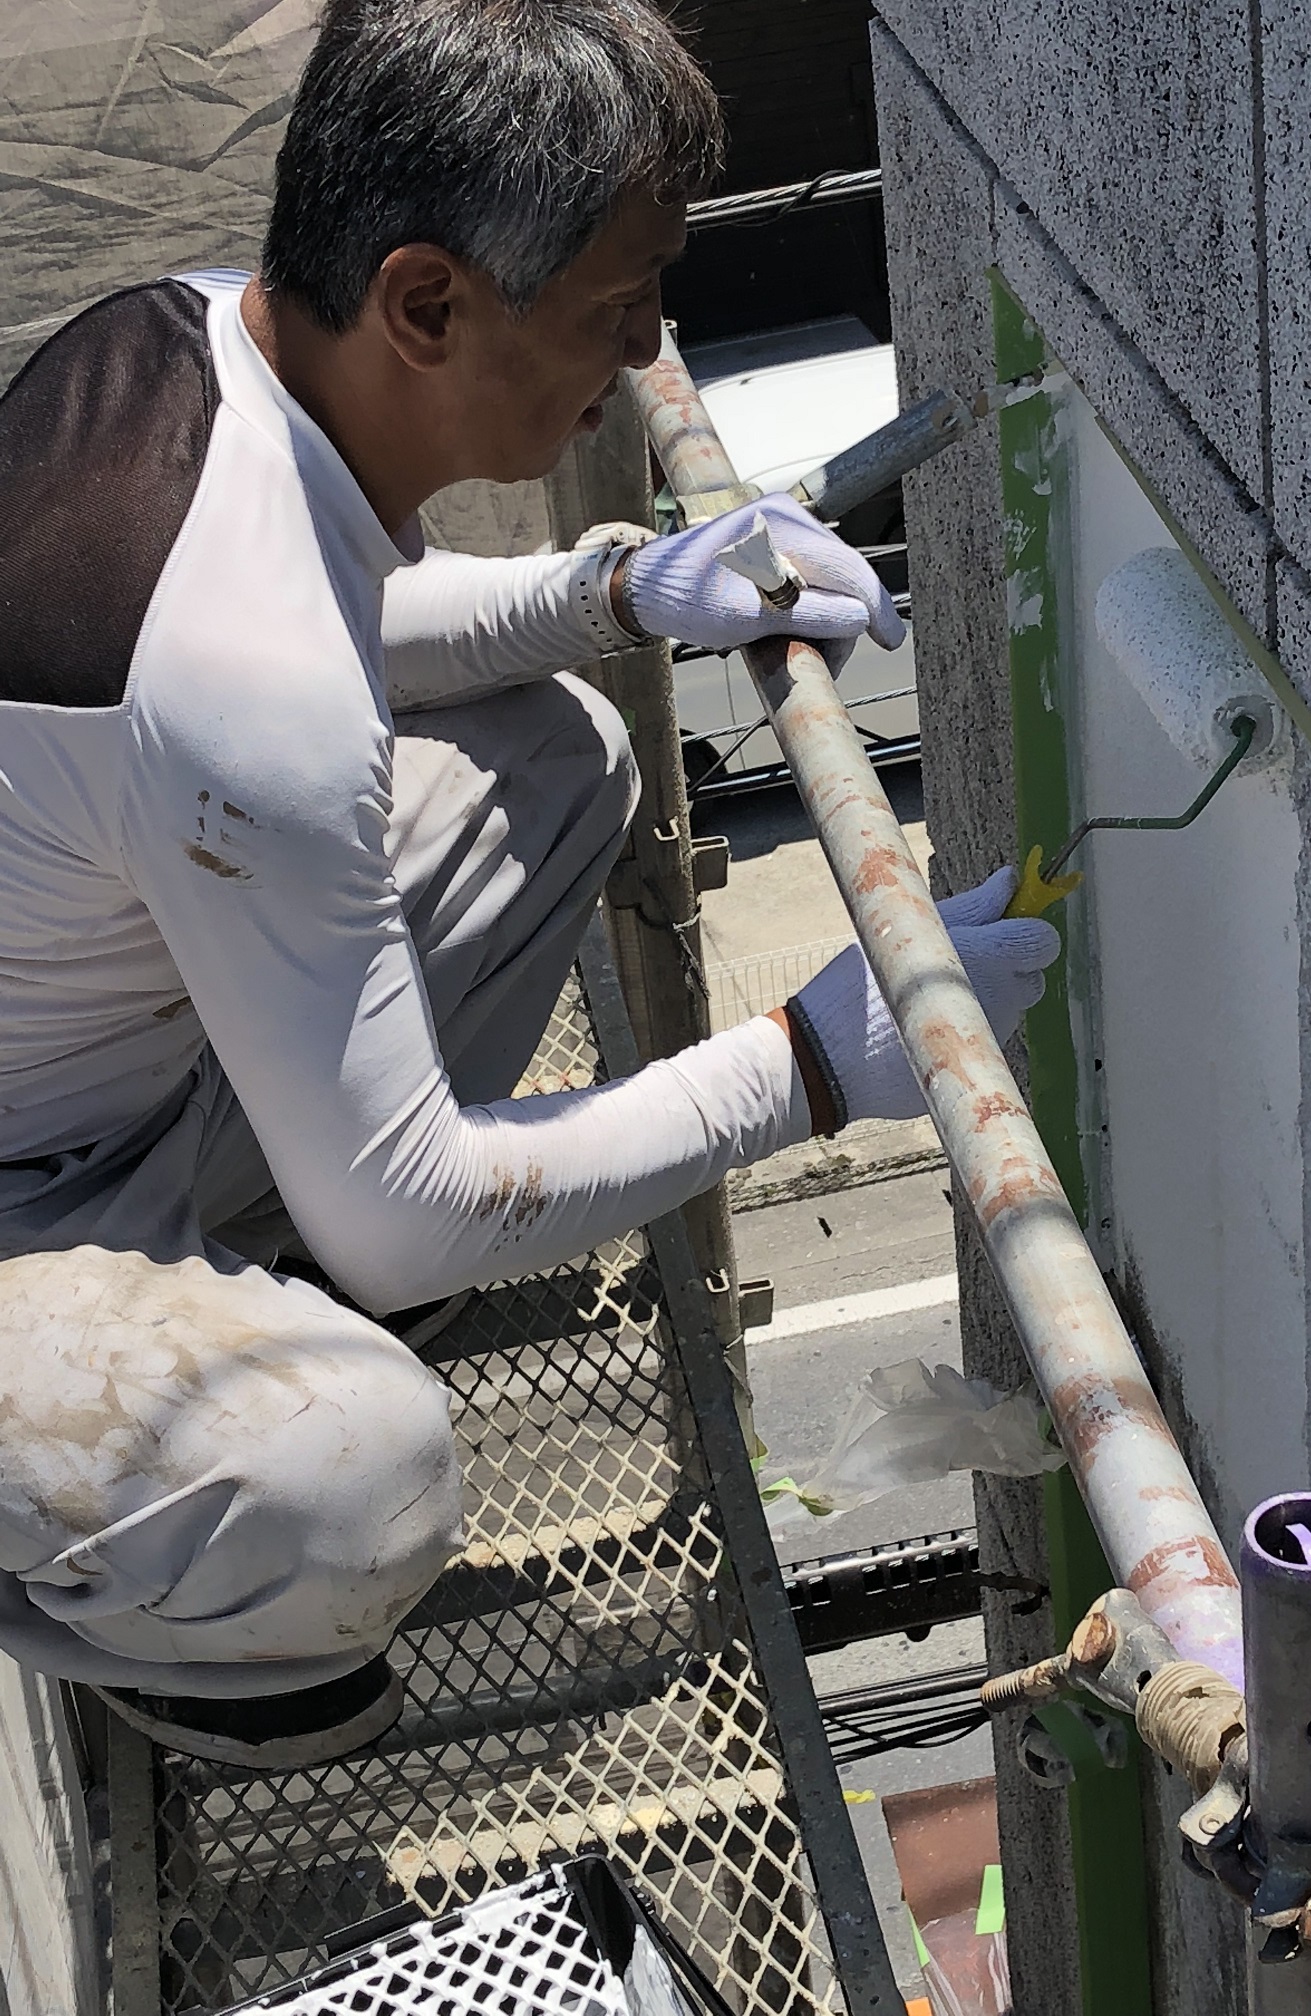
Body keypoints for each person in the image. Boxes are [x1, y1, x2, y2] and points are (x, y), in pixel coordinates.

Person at [0, 0, 1061, 1767]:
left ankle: (276, 1265)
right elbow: (266, 711)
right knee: (354, 1475)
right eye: (616, 305)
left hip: (105, 1048)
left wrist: (617, 593)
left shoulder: (188, 339)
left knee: (561, 750)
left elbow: (337, 648)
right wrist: (805, 1068)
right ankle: (156, 1611)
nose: (652, 346)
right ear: (425, 300)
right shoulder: (234, 673)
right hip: (22, 1198)